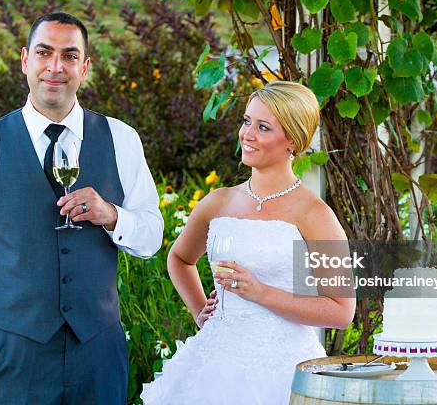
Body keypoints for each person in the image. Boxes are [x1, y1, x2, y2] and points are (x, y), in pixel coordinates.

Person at [0, 12, 163, 404]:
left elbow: (152, 236)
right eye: (44, 53)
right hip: (13, 355)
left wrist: (111, 215)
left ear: (85, 67)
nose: (56, 67)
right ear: (25, 60)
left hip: (99, 353)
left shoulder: (121, 139)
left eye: (70, 56)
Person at [140, 81, 356, 404]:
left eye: (263, 127)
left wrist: (261, 293)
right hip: (212, 368)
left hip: (284, 371)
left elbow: (342, 311)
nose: (247, 134)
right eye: (246, 121)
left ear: (292, 142)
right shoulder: (218, 202)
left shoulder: (315, 214)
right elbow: (179, 259)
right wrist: (201, 311)